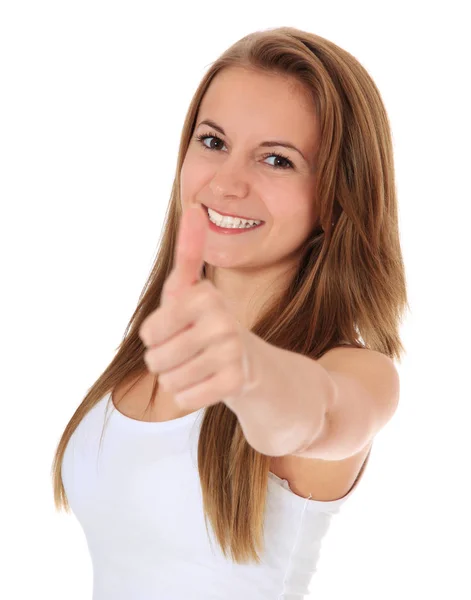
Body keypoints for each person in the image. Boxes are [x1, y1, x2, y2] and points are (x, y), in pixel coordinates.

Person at [51, 26, 408, 599]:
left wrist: (245, 367)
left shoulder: (357, 372)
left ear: (338, 196)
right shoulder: (145, 358)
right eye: (213, 142)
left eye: (276, 159)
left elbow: (311, 417)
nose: (227, 182)